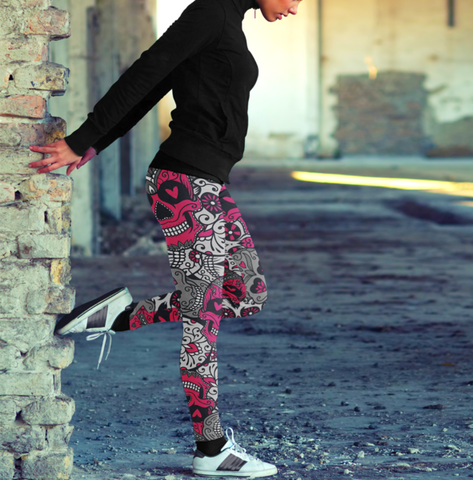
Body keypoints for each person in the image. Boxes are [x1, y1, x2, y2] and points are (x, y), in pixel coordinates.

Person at [28, 0, 302, 476]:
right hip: (185, 185)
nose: (296, 7)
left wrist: (96, 141)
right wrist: (86, 138)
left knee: (247, 292)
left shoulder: (228, 20)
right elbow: (149, 73)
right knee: (203, 314)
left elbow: (158, 81)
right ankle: (211, 449)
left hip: (208, 184)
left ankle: (116, 316)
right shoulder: (211, 11)